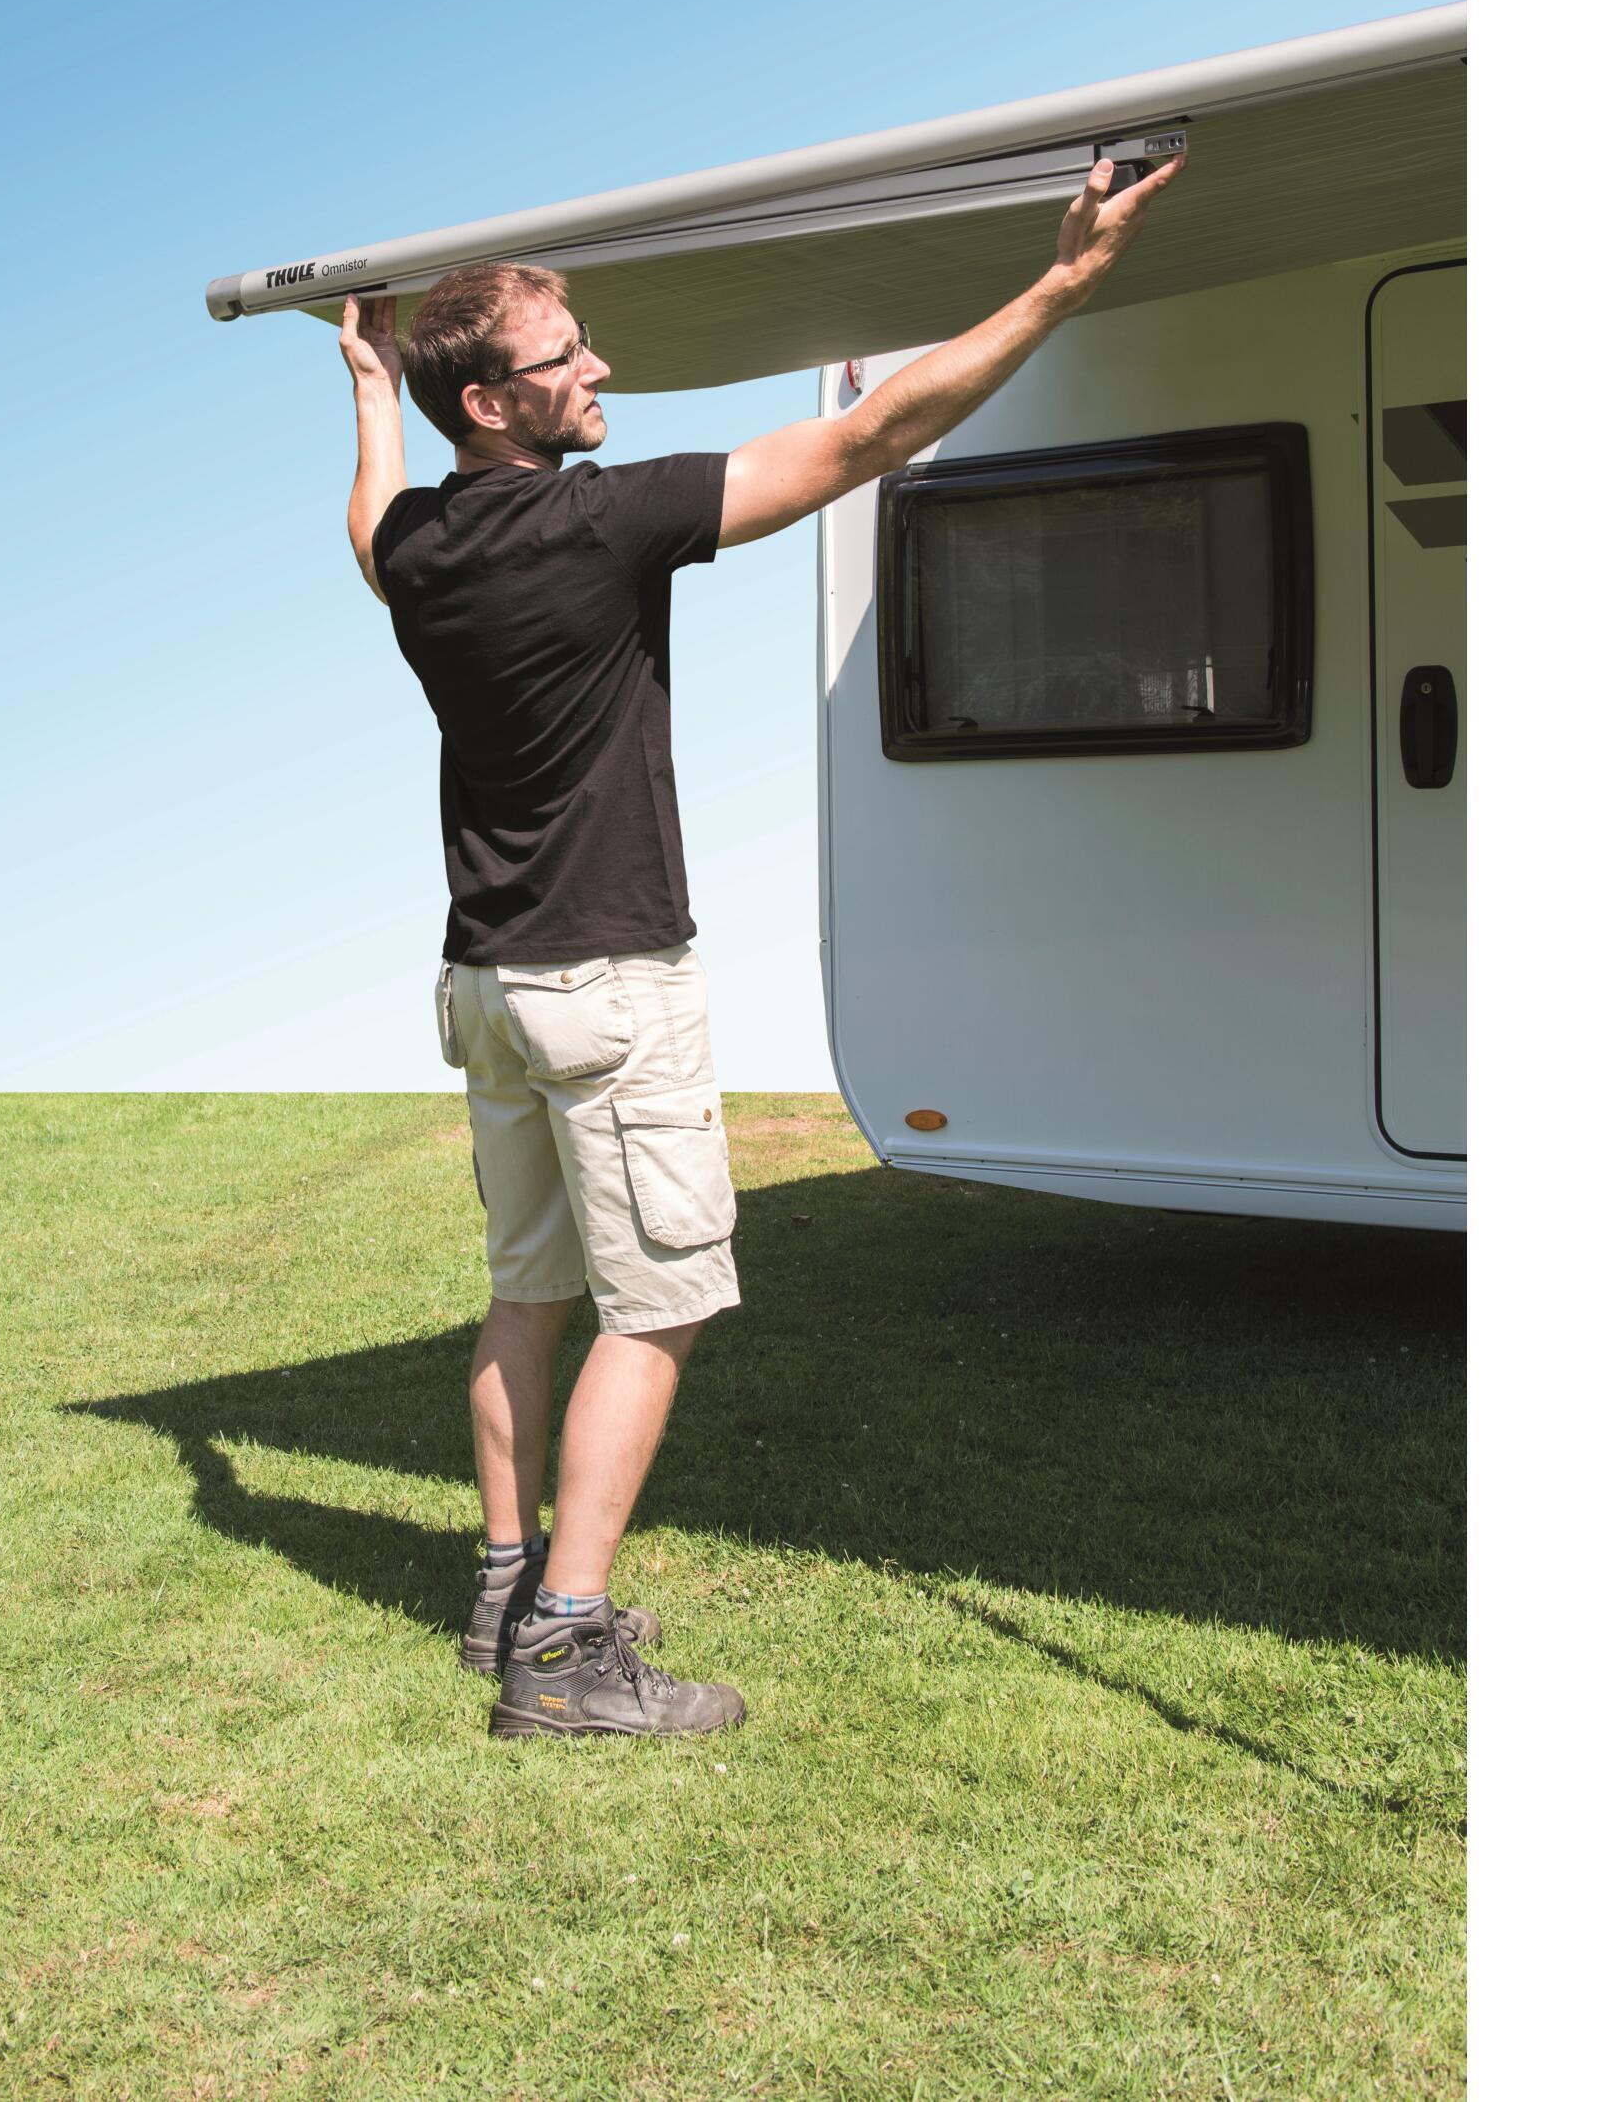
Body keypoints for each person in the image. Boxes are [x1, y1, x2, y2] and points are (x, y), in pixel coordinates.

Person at [339, 151, 1182, 1738]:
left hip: (489, 986)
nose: (600, 368)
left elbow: (369, 525)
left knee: (526, 1294)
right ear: (493, 406)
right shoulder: (603, 522)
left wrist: (371, 392)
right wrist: (1068, 278)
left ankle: (505, 1593)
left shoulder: (426, 552)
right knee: (655, 1308)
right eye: (566, 357)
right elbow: (871, 436)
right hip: (607, 985)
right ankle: (568, 1658)